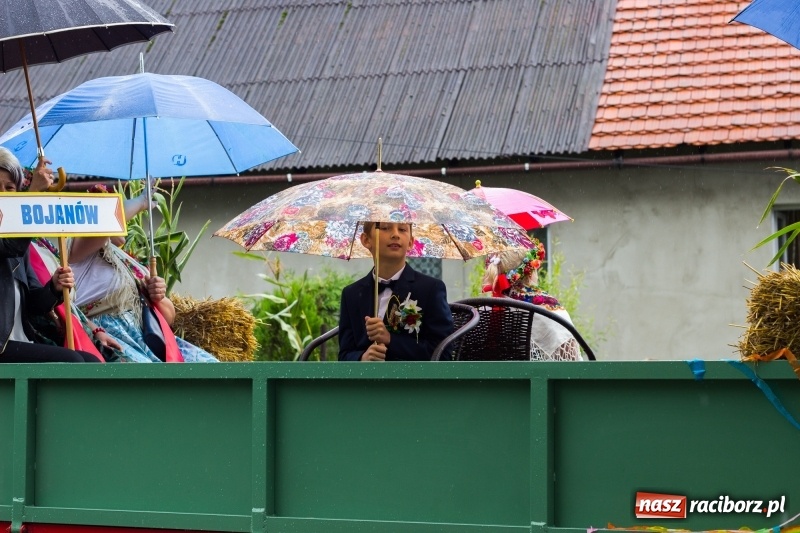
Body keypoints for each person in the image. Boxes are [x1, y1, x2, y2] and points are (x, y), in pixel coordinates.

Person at [68, 186, 217, 363]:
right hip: (109, 335)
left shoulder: (125, 260)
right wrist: (141, 202)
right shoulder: (77, 247)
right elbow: (109, 223)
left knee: (211, 366)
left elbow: (169, 318)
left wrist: (158, 296)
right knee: (151, 377)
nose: (124, 223)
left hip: (147, 336)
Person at [0, 148, 100, 363]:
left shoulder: (19, 242)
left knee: (92, 362)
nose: (3, 194)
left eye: (9, 188)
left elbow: (35, 306)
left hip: (19, 340)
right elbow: (10, 247)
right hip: (3, 346)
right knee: (73, 362)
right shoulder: (16, 241)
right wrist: (34, 193)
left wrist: (54, 287)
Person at [338, 221, 454, 361]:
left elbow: (443, 354)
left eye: (402, 229)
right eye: (385, 228)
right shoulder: (351, 294)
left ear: (410, 242)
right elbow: (345, 354)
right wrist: (362, 358)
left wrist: (390, 339)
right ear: (366, 240)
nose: (395, 235)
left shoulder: (430, 289)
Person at [482, 240, 582, 361]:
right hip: (540, 373)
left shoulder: (481, 309)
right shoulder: (549, 308)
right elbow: (571, 358)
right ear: (530, 272)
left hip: (489, 373)